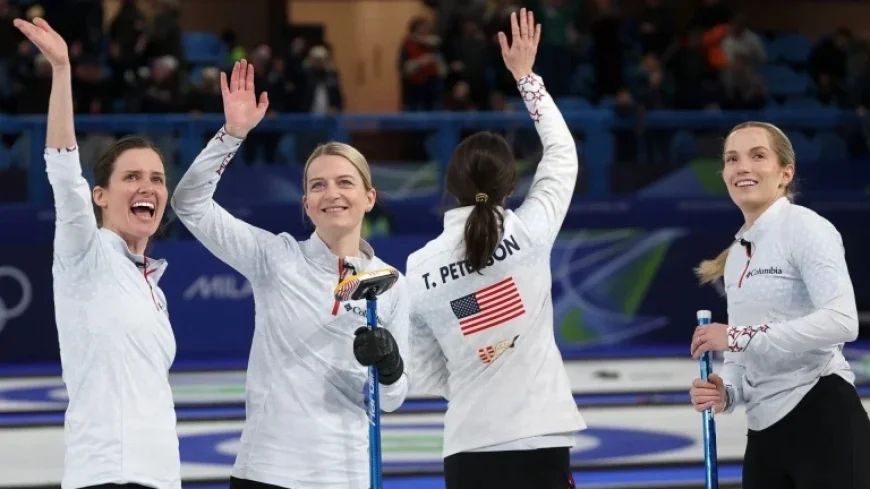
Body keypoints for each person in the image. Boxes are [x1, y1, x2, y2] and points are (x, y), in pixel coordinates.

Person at [169, 59, 410, 489]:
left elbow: (391, 400)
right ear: (305, 202)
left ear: (370, 198)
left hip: (348, 477)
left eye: (344, 183)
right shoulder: (275, 257)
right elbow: (189, 204)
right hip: (268, 472)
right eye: (317, 185)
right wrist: (233, 135)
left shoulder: (390, 282)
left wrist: (390, 366)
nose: (331, 193)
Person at [403, 9, 583, 489]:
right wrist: (525, 78)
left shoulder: (418, 269)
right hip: (539, 437)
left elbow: (423, 372)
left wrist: (475, 368)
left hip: (468, 447)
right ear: (509, 185)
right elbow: (562, 153)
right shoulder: (530, 231)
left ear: (451, 185)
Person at [14, 17, 180, 489]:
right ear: (100, 196)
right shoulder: (85, 251)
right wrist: (63, 70)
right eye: (131, 177)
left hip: (161, 476)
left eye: (156, 178)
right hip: (107, 475)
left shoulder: (152, 285)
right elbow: (65, 173)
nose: (147, 186)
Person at [690, 121, 870, 489]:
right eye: (732, 159)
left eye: (758, 156)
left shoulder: (807, 228)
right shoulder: (737, 254)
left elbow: (842, 321)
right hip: (763, 435)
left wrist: (737, 336)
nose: (743, 167)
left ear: (785, 173)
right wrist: (726, 394)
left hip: (822, 418)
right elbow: (740, 356)